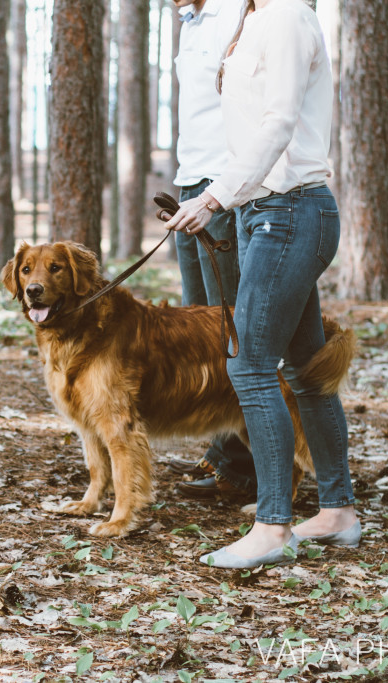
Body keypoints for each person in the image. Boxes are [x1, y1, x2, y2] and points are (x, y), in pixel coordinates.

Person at [163, 0, 360, 569]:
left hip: (291, 210)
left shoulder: (289, 16)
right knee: (303, 370)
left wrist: (215, 196)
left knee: (250, 366)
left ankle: (272, 527)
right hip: (262, 215)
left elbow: (279, 121)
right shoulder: (247, 20)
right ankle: (337, 511)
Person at [167, 0, 257, 504]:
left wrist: (220, 191)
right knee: (200, 328)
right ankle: (223, 448)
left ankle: (244, 463)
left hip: (221, 190)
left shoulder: (235, 13)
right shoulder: (190, 20)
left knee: (230, 330)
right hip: (189, 182)